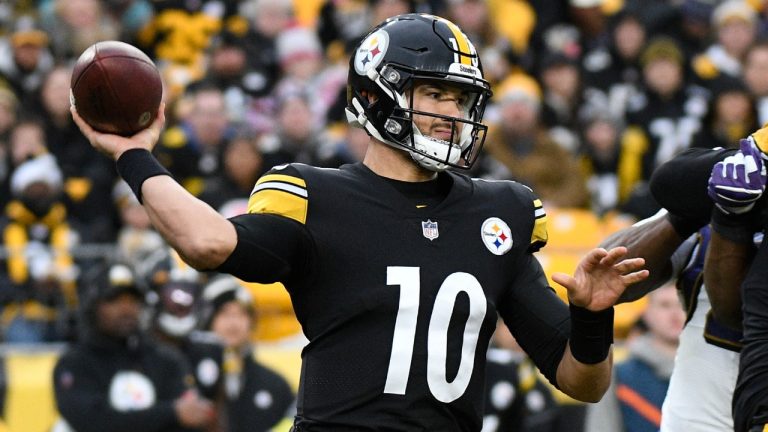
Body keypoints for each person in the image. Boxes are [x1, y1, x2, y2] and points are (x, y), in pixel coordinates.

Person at [71, 13, 647, 430]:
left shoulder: (501, 212)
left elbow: (583, 382)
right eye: (436, 94)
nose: (454, 114)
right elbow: (205, 242)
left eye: (461, 100)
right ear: (379, 97)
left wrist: (592, 321)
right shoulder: (317, 194)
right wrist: (134, 154)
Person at [52, 263, 215, 432]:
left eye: (133, 300)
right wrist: (171, 414)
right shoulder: (74, 363)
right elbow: (92, 422)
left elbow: (191, 418)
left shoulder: (166, 360)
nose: (126, 309)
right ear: (94, 307)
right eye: (114, 300)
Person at [585, 282, 685, 432]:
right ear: (647, 313)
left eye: (682, 305)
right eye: (665, 305)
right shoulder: (617, 375)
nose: (674, 314)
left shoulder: (710, 372)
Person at [201, 275, 295, 432]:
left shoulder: (274, 383)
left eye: (242, 314)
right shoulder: (187, 372)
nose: (234, 323)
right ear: (207, 318)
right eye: (224, 313)